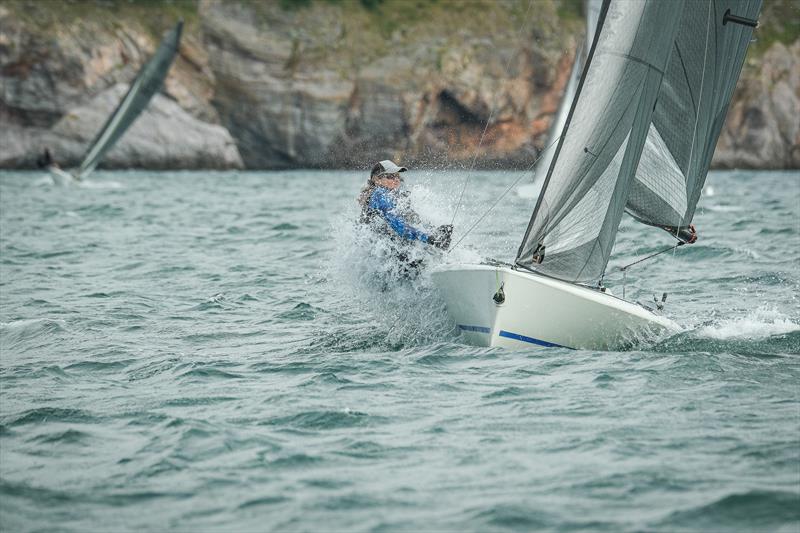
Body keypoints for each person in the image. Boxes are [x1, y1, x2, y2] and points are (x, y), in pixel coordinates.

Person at [358, 160, 452, 277]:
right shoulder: (379, 194)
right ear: (377, 180)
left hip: (385, 257)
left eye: (397, 176)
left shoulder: (396, 196)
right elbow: (399, 227)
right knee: (419, 252)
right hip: (386, 258)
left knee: (443, 231)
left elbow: (413, 221)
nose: (396, 180)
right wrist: (430, 239)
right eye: (391, 176)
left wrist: (432, 231)